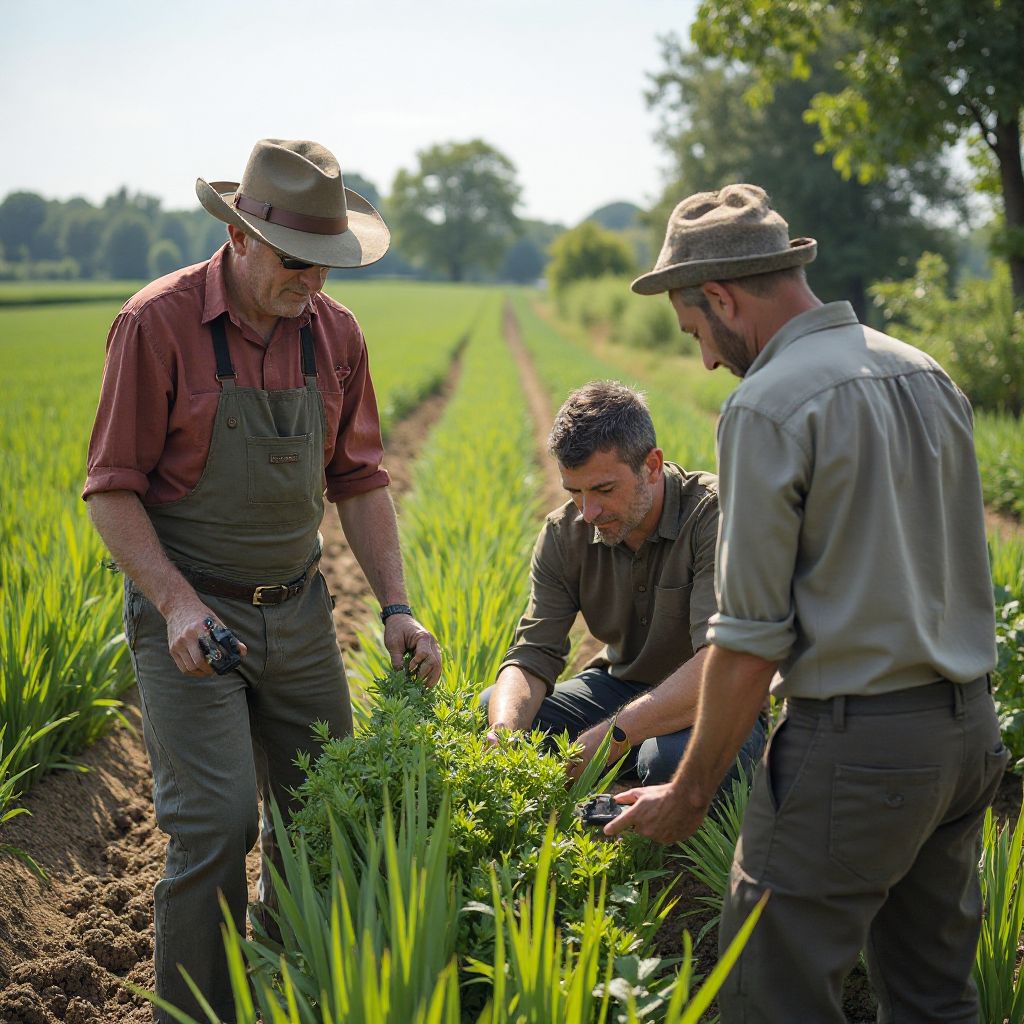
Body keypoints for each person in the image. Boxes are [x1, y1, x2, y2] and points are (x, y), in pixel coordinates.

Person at [610, 183, 1006, 1023]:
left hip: (857, 750)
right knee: (935, 998)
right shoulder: (926, 373)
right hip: (966, 734)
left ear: (720, 297)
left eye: (697, 334)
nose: (709, 361)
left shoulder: (768, 403)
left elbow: (750, 640)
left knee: (768, 1000)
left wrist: (688, 791)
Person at [83, 138, 442, 1023]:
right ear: (241, 236)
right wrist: (172, 605)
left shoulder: (338, 335)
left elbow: (358, 480)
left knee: (324, 810)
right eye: (296, 261)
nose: (314, 282)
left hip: (301, 608)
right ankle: (198, 1012)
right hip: (194, 616)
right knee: (214, 823)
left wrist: (396, 607)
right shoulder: (156, 325)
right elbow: (111, 490)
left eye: (328, 264)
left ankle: (290, 986)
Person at [482, 380, 766, 787]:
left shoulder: (715, 517)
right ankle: (625, 767)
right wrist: (504, 731)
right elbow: (533, 653)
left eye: (603, 489)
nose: (589, 511)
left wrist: (612, 737)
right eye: (575, 492)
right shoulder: (564, 534)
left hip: (717, 699)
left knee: (666, 761)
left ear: (651, 465)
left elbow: (721, 665)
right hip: (620, 685)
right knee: (494, 707)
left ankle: (642, 774)